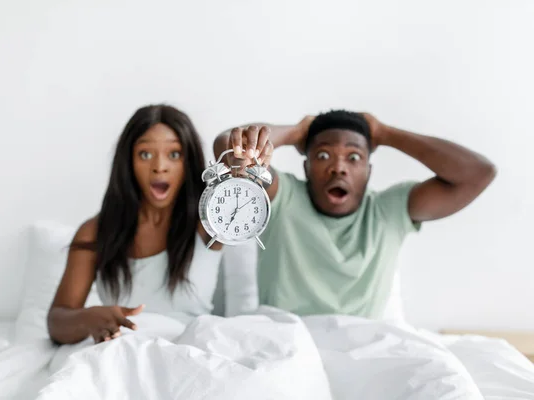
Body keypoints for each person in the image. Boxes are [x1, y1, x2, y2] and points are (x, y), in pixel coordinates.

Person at [213, 110, 496, 318]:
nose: (339, 168)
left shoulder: (388, 211)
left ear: (369, 171)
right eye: (323, 156)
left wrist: (386, 133)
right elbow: (229, 149)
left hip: (365, 350)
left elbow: (478, 174)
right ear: (306, 167)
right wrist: (296, 131)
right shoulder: (283, 196)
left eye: (354, 157)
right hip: (286, 342)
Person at [48, 104, 223, 345]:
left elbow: (241, 171)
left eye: (174, 154)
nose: (159, 166)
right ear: (128, 162)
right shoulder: (94, 232)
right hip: (117, 353)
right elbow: (57, 322)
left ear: (189, 161)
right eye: (145, 154)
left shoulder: (210, 221)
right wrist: (87, 318)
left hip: (187, 354)